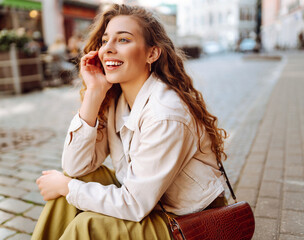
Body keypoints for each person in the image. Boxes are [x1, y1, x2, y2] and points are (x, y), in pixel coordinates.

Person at [32, 4, 227, 240]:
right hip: (150, 202)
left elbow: (134, 204)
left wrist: (67, 187)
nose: (108, 49)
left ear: (151, 54)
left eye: (123, 40)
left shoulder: (166, 114)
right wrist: (94, 93)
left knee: (87, 224)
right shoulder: (115, 98)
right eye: (105, 41)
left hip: (186, 221)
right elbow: (75, 167)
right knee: (75, 180)